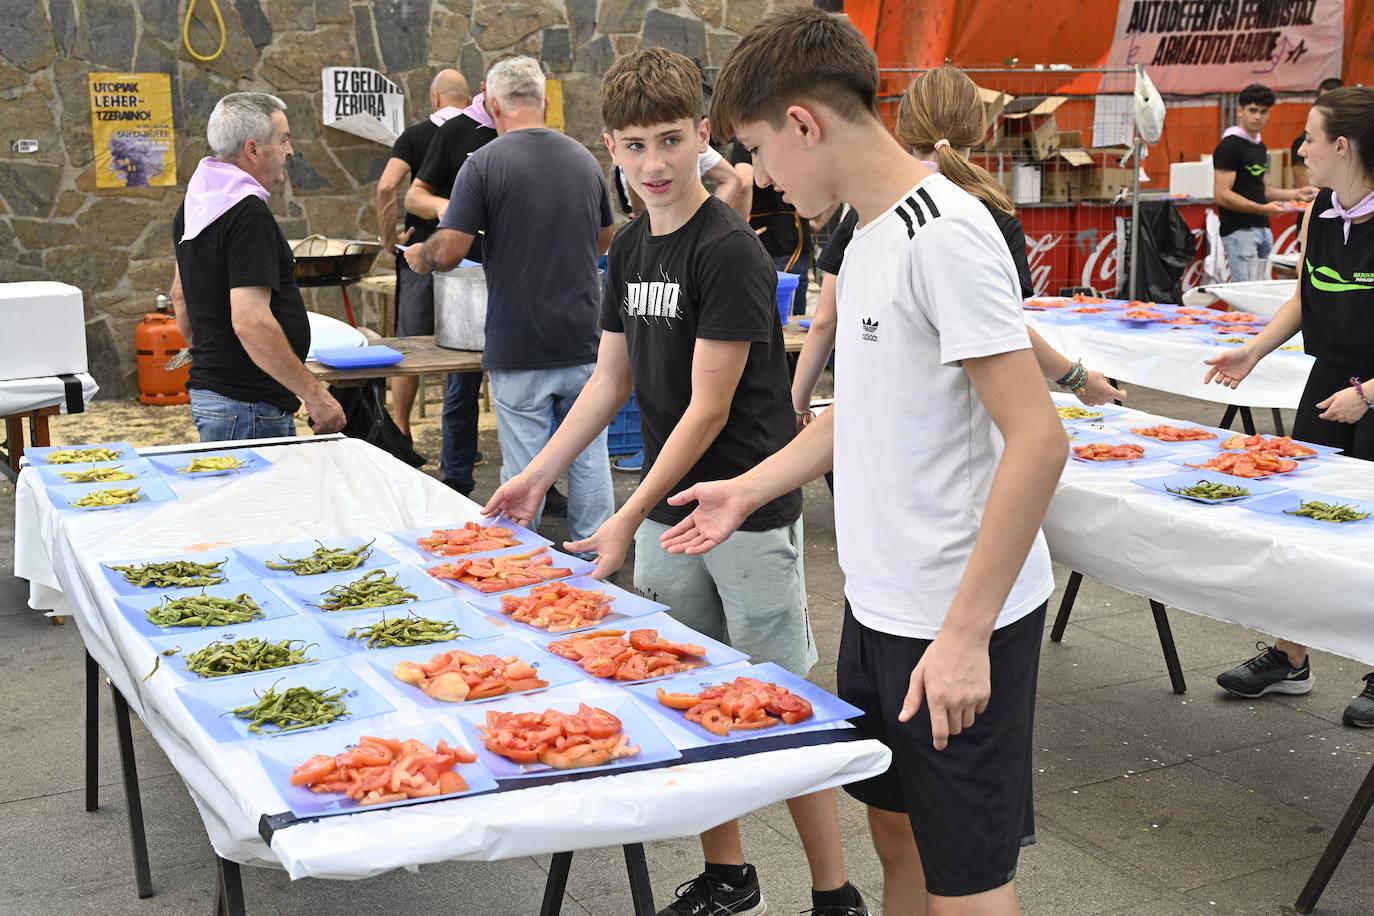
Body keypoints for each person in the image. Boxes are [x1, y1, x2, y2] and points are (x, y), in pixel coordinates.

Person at [664, 12, 1070, 913]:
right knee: (897, 834)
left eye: (761, 150)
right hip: (881, 602)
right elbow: (866, 414)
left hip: (953, 615)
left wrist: (965, 635)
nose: (762, 177)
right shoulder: (867, 230)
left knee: (969, 877)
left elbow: (1040, 440)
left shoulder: (948, 233)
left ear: (805, 123)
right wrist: (746, 487)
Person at [485, 47, 865, 916]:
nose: (653, 166)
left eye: (668, 141)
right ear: (607, 149)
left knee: (782, 707)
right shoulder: (626, 252)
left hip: (747, 510)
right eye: (632, 146)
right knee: (680, 688)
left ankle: (836, 894)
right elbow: (610, 382)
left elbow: (705, 410)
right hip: (666, 511)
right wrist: (535, 475)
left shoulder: (729, 251)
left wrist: (625, 515)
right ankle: (731, 874)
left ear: (702, 136)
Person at [791, 69, 1125, 431]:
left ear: (902, 130)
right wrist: (1075, 377)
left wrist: (796, 405)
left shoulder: (868, 207)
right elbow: (1005, 329)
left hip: (877, 413)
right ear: (979, 130)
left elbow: (826, 319)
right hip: (954, 425)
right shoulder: (992, 216)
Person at [1205, 86, 1374, 729]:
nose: (1296, 149)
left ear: (1342, 146)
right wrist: (1252, 352)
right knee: (1300, 519)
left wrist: (1367, 397)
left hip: (1371, 389)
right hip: (1330, 380)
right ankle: (1289, 655)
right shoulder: (1320, 212)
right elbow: (1305, 296)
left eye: (1307, 137)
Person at [405, 57, 615, 541]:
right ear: (543, 103)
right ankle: (595, 562)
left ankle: (524, 563)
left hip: (519, 345)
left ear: (492, 103)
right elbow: (605, 240)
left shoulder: (483, 165)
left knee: (523, 470)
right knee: (589, 459)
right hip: (585, 340)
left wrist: (422, 253)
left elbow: (452, 248)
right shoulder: (584, 159)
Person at [170, 92, 345, 442]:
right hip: (247, 404)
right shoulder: (247, 214)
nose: (290, 151)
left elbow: (180, 296)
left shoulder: (196, 204)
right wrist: (317, 396)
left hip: (217, 395)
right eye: (283, 139)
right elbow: (250, 321)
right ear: (253, 150)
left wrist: (215, 355)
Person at [397, 77, 500, 497]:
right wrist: (450, 210)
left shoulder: (531, 134)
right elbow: (413, 196)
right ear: (484, 90)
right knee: (463, 380)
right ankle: (457, 479)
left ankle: (543, 487)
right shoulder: (457, 131)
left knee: (529, 384)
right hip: (470, 273)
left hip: (522, 272)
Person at [375, 69, 470, 457]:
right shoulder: (478, 133)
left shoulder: (415, 135)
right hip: (468, 254)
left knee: (410, 344)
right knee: (463, 348)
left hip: (419, 252)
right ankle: (459, 444)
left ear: (434, 99)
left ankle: (402, 432)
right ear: (469, 99)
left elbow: (386, 185)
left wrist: (388, 240)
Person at [1213, 83, 1318, 281]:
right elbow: (1222, 194)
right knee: (1246, 295)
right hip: (1239, 230)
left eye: (1263, 112)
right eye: (1252, 110)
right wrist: (1262, 209)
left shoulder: (1259, 146)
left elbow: (1259, 189)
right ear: (1240, 111)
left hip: (1262, 229)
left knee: (1251, 295)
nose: (1257, 117)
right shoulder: (1230, 146)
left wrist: (1295, 193)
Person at [730, 142, 812, 315]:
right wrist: (817, 220)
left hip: (766, 241)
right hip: (799, 240)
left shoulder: (748, 139)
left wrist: (737, 229)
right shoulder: (797, 135)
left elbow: (743, 184)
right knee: (794, 321)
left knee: (768, 319)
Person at [1292, 78, 1345, 189]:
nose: (1329, 109)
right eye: (1324, 103)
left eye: (1335, 103)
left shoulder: (1356, 138)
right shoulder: (1301, 144)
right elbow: (1306, 190)